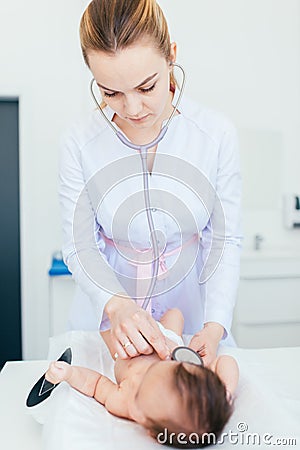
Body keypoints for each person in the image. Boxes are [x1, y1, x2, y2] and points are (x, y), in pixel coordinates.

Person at [59, 0, 242, 366]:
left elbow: (224, 239)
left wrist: (215, 325)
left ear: (171, 56)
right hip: (110, 322)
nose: (132, 108)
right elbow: (80, 244)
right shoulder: (80, 141)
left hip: (194, 314)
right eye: (110, 92)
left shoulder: (215, 135)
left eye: (146, 87)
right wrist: (116, 304)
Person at [45, 309, 239, 448]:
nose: (142, 375)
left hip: (125, 345)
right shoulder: (181, 371)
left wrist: (69, 374)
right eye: (170, 366)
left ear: (148, 427)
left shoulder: (124, 402)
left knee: (104, 324)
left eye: (141, 387)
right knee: (176, 314)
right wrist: (225, 391)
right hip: (167, 339)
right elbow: (226, 361)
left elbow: (95, 384)